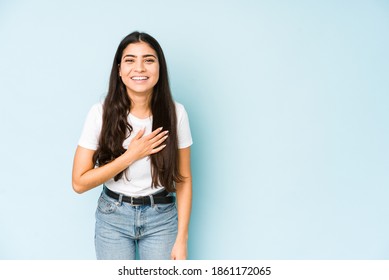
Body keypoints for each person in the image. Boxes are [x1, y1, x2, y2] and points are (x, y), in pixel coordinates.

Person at [72, 31, 193, 260]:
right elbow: (79, 183)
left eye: (148, 60)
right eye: (130, 60)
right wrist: (131, 156)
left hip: (162, 218)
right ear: (119, 69)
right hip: (113, 218)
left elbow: (184, 179)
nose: (139, 68)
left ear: (160, 68)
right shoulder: (100, 113)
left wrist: (181, 239)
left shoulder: (176, 114)